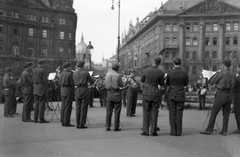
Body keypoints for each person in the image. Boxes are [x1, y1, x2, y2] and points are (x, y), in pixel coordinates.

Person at [200, 59, 235, 136]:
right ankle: (224, 130)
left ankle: (209, 129)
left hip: (221, 94)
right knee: (226, 114)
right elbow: (233, 85)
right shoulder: (233, 74)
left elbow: (212, 81)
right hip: (229, 95)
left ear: (223, 65)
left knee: (214, 112)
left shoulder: (221, 73)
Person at [141, 57, 165, 136]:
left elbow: (142, 80)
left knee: (146, 112)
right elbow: (161, 83)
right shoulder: (160, 72)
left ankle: (145, 130)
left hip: (147, 92)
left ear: (153, 62)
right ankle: (153, 131)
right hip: (155, 92)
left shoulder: (145, 71)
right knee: (154, 112)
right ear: (159, 63)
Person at [166, 58, 188, 136]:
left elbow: (167, 83)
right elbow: (186, 84)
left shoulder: (170, 73)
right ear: (180, 63)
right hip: (181, 93)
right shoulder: (184, 73)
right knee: (179, 112)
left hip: (172, 93)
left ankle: (173, 131)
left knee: (172, 112)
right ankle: (179, 131)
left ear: (173, 63)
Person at [73, 60, 94, 129]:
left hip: (77, 90)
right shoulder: (85, 73)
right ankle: (82, 123)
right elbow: (92, 81)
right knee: (84, 107)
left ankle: (77, 123)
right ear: (82, 66)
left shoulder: (74, 73)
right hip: (84, 89)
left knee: (78, 107)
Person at [105, 63, 124, 131]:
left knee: (108, 111)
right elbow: (121, 85)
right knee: (117, 111)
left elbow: (105, 84)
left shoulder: (107, 74)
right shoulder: (117, 75)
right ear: (117, 68)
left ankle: (108, 126)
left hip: (109, 93)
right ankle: (116, 126)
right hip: (116, 94)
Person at [59, 62, 74, 127]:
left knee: (63, 106)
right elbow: (72, 84)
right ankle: (66, 122)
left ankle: (62, 120)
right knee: (68, 106)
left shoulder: (61, 74)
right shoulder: (69, 74)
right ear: (68, 67)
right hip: (68, 90)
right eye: (70, 67)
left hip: (62, 89)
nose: (70, 68)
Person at [233, 64, 240, 134]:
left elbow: (234, 86)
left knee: (238, 112)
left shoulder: (238, 78)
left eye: (237, 68)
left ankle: (239, 128)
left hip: (238, 96)